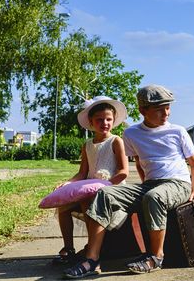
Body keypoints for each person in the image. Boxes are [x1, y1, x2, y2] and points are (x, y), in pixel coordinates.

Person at [63, 84, 194, 278]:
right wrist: (144, 183)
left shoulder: (178, 131)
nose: (166, 113)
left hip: (178, 183)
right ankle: (92, 259)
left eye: (168, 107)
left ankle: (156, 257)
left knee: (154, 197)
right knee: (104, 193)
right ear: (143, 111)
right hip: (150, 184)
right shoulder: (131, 134)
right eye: (159, 109)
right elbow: (139, 162)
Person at [53, 96, 129, 264]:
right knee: (63, 205)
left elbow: (124, 172)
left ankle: (93, 247)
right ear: (91, 121)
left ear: (114, 120)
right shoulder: (87, 144)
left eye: (108, 119)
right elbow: (82, 173)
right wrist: (68, 184)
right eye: (99, 119)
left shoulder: (116, 141)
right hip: (88, 186)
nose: (105, 123)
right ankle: (69, 248)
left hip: (111, 187)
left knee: (88, 201)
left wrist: (105, 185)